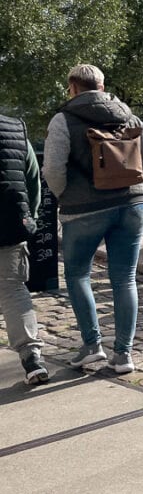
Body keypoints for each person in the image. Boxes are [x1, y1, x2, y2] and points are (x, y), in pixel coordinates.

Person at [43, 64, 143, 374]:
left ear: (73, 88)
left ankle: (92, 345)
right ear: (102, 85)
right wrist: (134, 186)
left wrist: (65, 196)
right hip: (132, 205)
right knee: (124, 278)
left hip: (84, 210)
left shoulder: (63, 120)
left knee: (77, 274)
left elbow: (53, 170)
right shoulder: (127, 115)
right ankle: (123, 355)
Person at [0, 114, 49, 384]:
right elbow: (33, 180)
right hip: (8, 222)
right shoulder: (15, 129)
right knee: (13, 290)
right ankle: (32, 358)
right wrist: (30, 215)